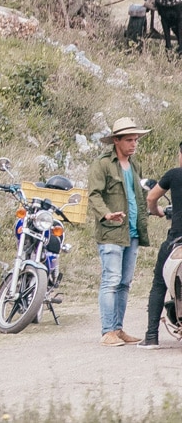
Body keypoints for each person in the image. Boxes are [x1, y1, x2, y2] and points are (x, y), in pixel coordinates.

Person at [88, 117, 152, 345]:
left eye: (135, 140)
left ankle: (118, 328)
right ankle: (107, 331)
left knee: (124, 283)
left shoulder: (135, 165)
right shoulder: (103, 164)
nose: (134, 144)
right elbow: (94, 194)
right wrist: (106, 214)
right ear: (116, 141)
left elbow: (139, 196)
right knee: (111, 280)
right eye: (129, 140)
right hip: (112, 232)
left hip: (132, 232)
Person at [143, 141, 182, 346]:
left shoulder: (174, 174)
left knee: (159, 284)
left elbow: (151, 197)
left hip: (177, 240)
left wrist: (156, 211)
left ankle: (151, 337)